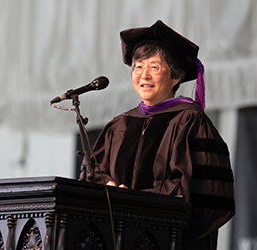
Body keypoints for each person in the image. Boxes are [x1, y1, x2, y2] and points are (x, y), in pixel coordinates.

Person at [85, 20, 235, 250]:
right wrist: (110, 188)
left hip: (169, 242)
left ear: (176, 77)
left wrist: (133, 202)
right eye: (138, 67)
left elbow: (207, 196)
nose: (144, 75)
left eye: (154, 67)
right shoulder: (118, 125)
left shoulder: (190, 121)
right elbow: (93, 177)